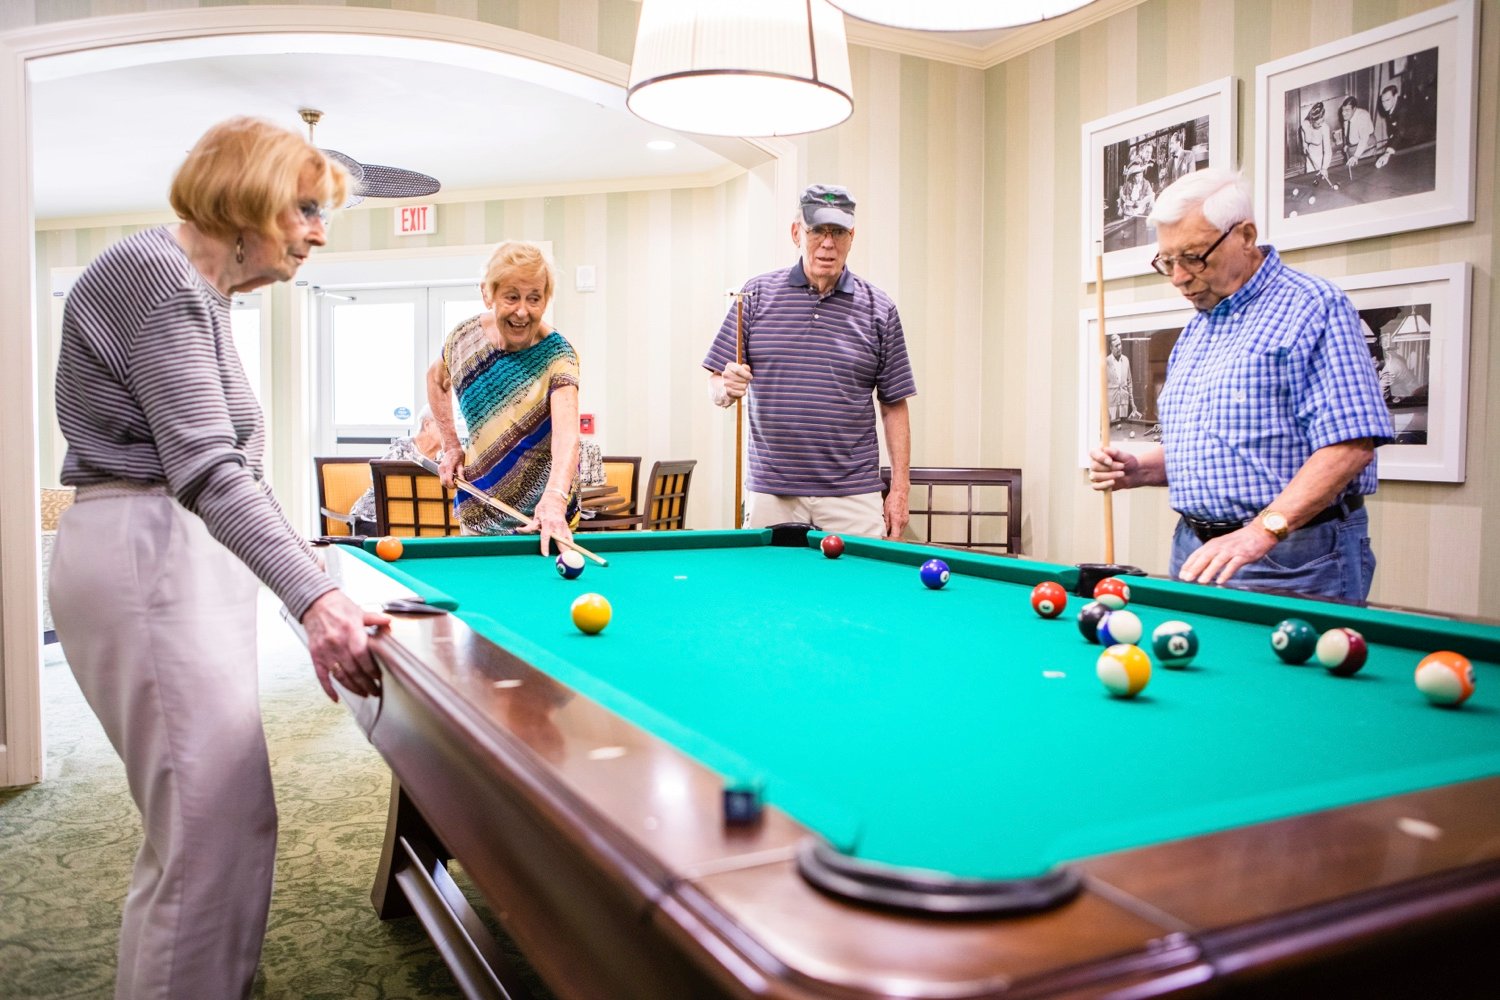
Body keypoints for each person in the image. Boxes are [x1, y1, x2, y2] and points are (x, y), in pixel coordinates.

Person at [47, 116, 387, 1000]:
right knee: (208, 831)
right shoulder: (159, 280)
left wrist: (307, 585)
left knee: (221, 823)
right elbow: (206, 467)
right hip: (142, 555)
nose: (319, 231)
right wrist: (314, 601)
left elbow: (231, 472)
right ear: (247, 197)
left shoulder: (199, 294)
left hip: (169, 554)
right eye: (306, 208)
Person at [1088, 168, 1393, 603]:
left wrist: (1259, 533)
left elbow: (1350, 444)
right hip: (1196, 551)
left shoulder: (1313, 307)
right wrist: (1140, 469)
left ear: (1245, 236)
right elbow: (1216, 448)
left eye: (1193, 257)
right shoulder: (1198, 329)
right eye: (1167, 261)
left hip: (1292, 560)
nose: (1178, 277)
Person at [704, 183, 916, 539]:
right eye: (817, 230)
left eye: (838, 232)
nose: (827, 243)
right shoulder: (753, 297)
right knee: (766, 590)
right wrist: (725, 388)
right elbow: (716, 382)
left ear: (852, 237)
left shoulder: (880, 309)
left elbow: (894, 405)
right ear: (795, 233)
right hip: (772, 490)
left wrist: (899, 490)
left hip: (854, 493)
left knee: (861, 593)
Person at [427, 240, 580, 553]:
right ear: (487, 294)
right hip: (478, 511)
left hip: (542, 521)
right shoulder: (462, 341)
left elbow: (567, 438)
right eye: (512, 297)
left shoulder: (558, 355)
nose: (523, 311)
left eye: (534, 298)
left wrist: (554, 498)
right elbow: (435, 380)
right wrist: (451, 445)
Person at [346, 405, 443, 533]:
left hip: (411, 520)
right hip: (372, 519)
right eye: (445, 426)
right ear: (427, 425)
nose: (452, 433)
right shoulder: (403, 450)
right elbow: (377, 477)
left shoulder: (443, 456)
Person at [1299, 101, 1337, 189]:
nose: (1321, 124)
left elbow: (1327, 151)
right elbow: (1302, 131)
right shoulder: (1305, 124)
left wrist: (1324, 167)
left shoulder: (1325, 128)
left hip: (1322, 158)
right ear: (1312, 121)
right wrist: (1304, 145)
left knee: (1322, 183)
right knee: (1311, 183)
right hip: (1310, 157)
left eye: (1322, 121)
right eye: (1318, 123)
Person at [1105, 333, 1140, 429]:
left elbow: (1129, 383)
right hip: (1110, 405)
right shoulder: (1105, 362)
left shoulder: (1126, 360)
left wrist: (1132, 404)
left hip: (1124, 404)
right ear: (1111, 348)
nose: (1119, 347)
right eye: (1116, 346)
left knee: (1123, 430)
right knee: (1111, 431)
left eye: (1120, 344)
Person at [1339, 96, 1376, 171]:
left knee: (1366, 172)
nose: (1343, 113)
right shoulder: (1347, 117)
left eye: (1347, 110)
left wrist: (1356, 156)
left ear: (1354, 109)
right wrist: (1347, 144)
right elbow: (1347, 133)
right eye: (1343, 110)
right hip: (1353, 149)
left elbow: (1364, 139)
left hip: (1366, 149)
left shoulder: (1362, 116)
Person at [1374, 84, 1407, 169]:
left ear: (1395, 97)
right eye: (1383, 101)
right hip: (1401, 141)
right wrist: (1391, 140)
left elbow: (1400, 131)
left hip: (1418, 143)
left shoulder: (1402, 109)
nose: (1384, 104)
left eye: (1387, 100)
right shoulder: (1389, 107)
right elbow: (1393, 131)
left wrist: (1387, 153)